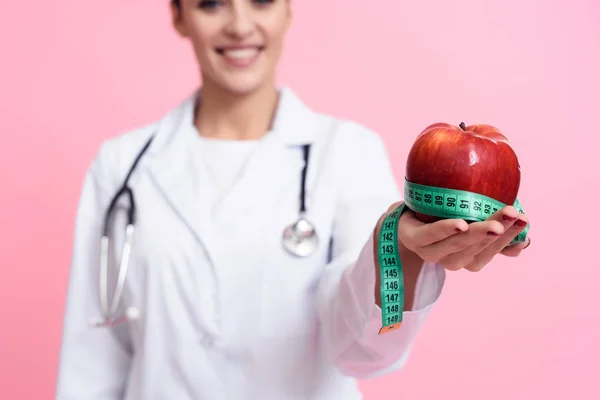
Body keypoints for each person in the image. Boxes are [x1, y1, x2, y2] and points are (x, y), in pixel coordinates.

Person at [55, 0, 532, 399]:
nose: (240, 25)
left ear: (288, 9)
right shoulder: (121, 166)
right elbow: (90, 362)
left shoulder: (347, 152)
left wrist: (402, 254)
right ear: (178, 16)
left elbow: (363, 352)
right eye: (211, 3)